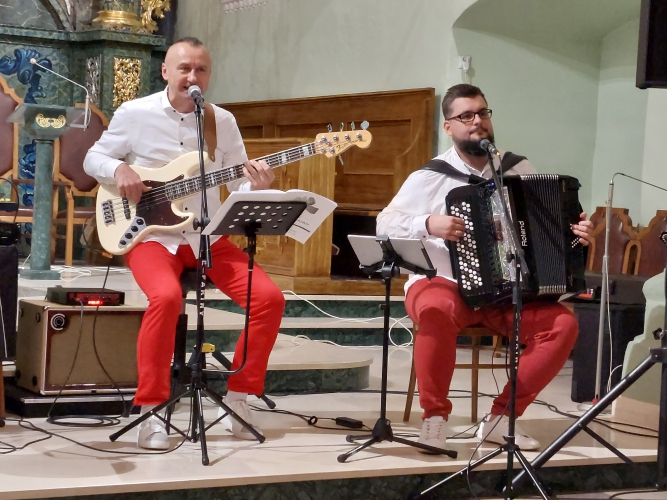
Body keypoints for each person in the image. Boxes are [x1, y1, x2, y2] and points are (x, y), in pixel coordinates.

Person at [84, 37, 285, 450]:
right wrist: (119, 169)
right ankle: (152, 409)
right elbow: (93, 158)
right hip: (151, 236)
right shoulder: (134, 113)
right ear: (165, 71)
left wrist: (257, 183)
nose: (193, 77)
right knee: (166, 298)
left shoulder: (220, 121)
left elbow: (237, 182)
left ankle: (240, 398)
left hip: (208, 235)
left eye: (201, 70)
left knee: (269, 298)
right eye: (184, 68)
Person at [376, 84, 594, 452]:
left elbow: (543, 231)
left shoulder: (518, 168)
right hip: (443, 282)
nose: (477, 121)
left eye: (482, 112)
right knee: (435, 311)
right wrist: (428, 223)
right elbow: (384, 222)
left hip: (505, 291)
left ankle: (501, 419)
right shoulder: (429, 176)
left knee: (562, 325)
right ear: (449, 127)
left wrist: (575, 236)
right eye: (466, 116)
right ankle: (434, 419)